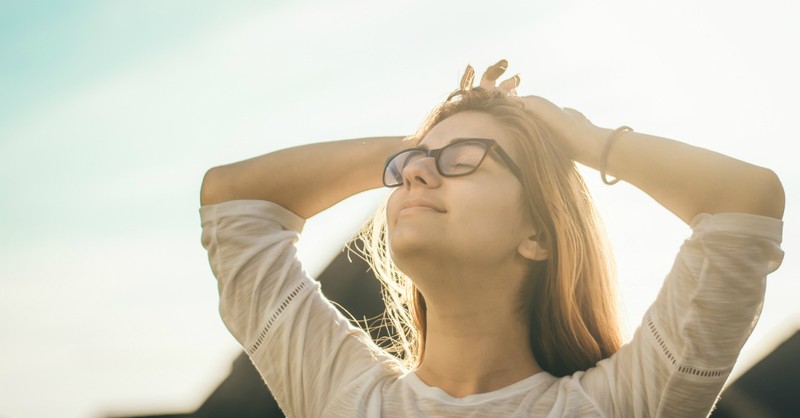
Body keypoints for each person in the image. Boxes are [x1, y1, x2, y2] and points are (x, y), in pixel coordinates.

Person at [199, 60, 785, 417]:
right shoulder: (343, 394)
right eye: (409, 167)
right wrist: (420, 142)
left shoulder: (622, 404)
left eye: (465, 161)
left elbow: (743, 203)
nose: (416, 173)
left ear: (538, 234)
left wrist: (582, 138)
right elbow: (233, 199)